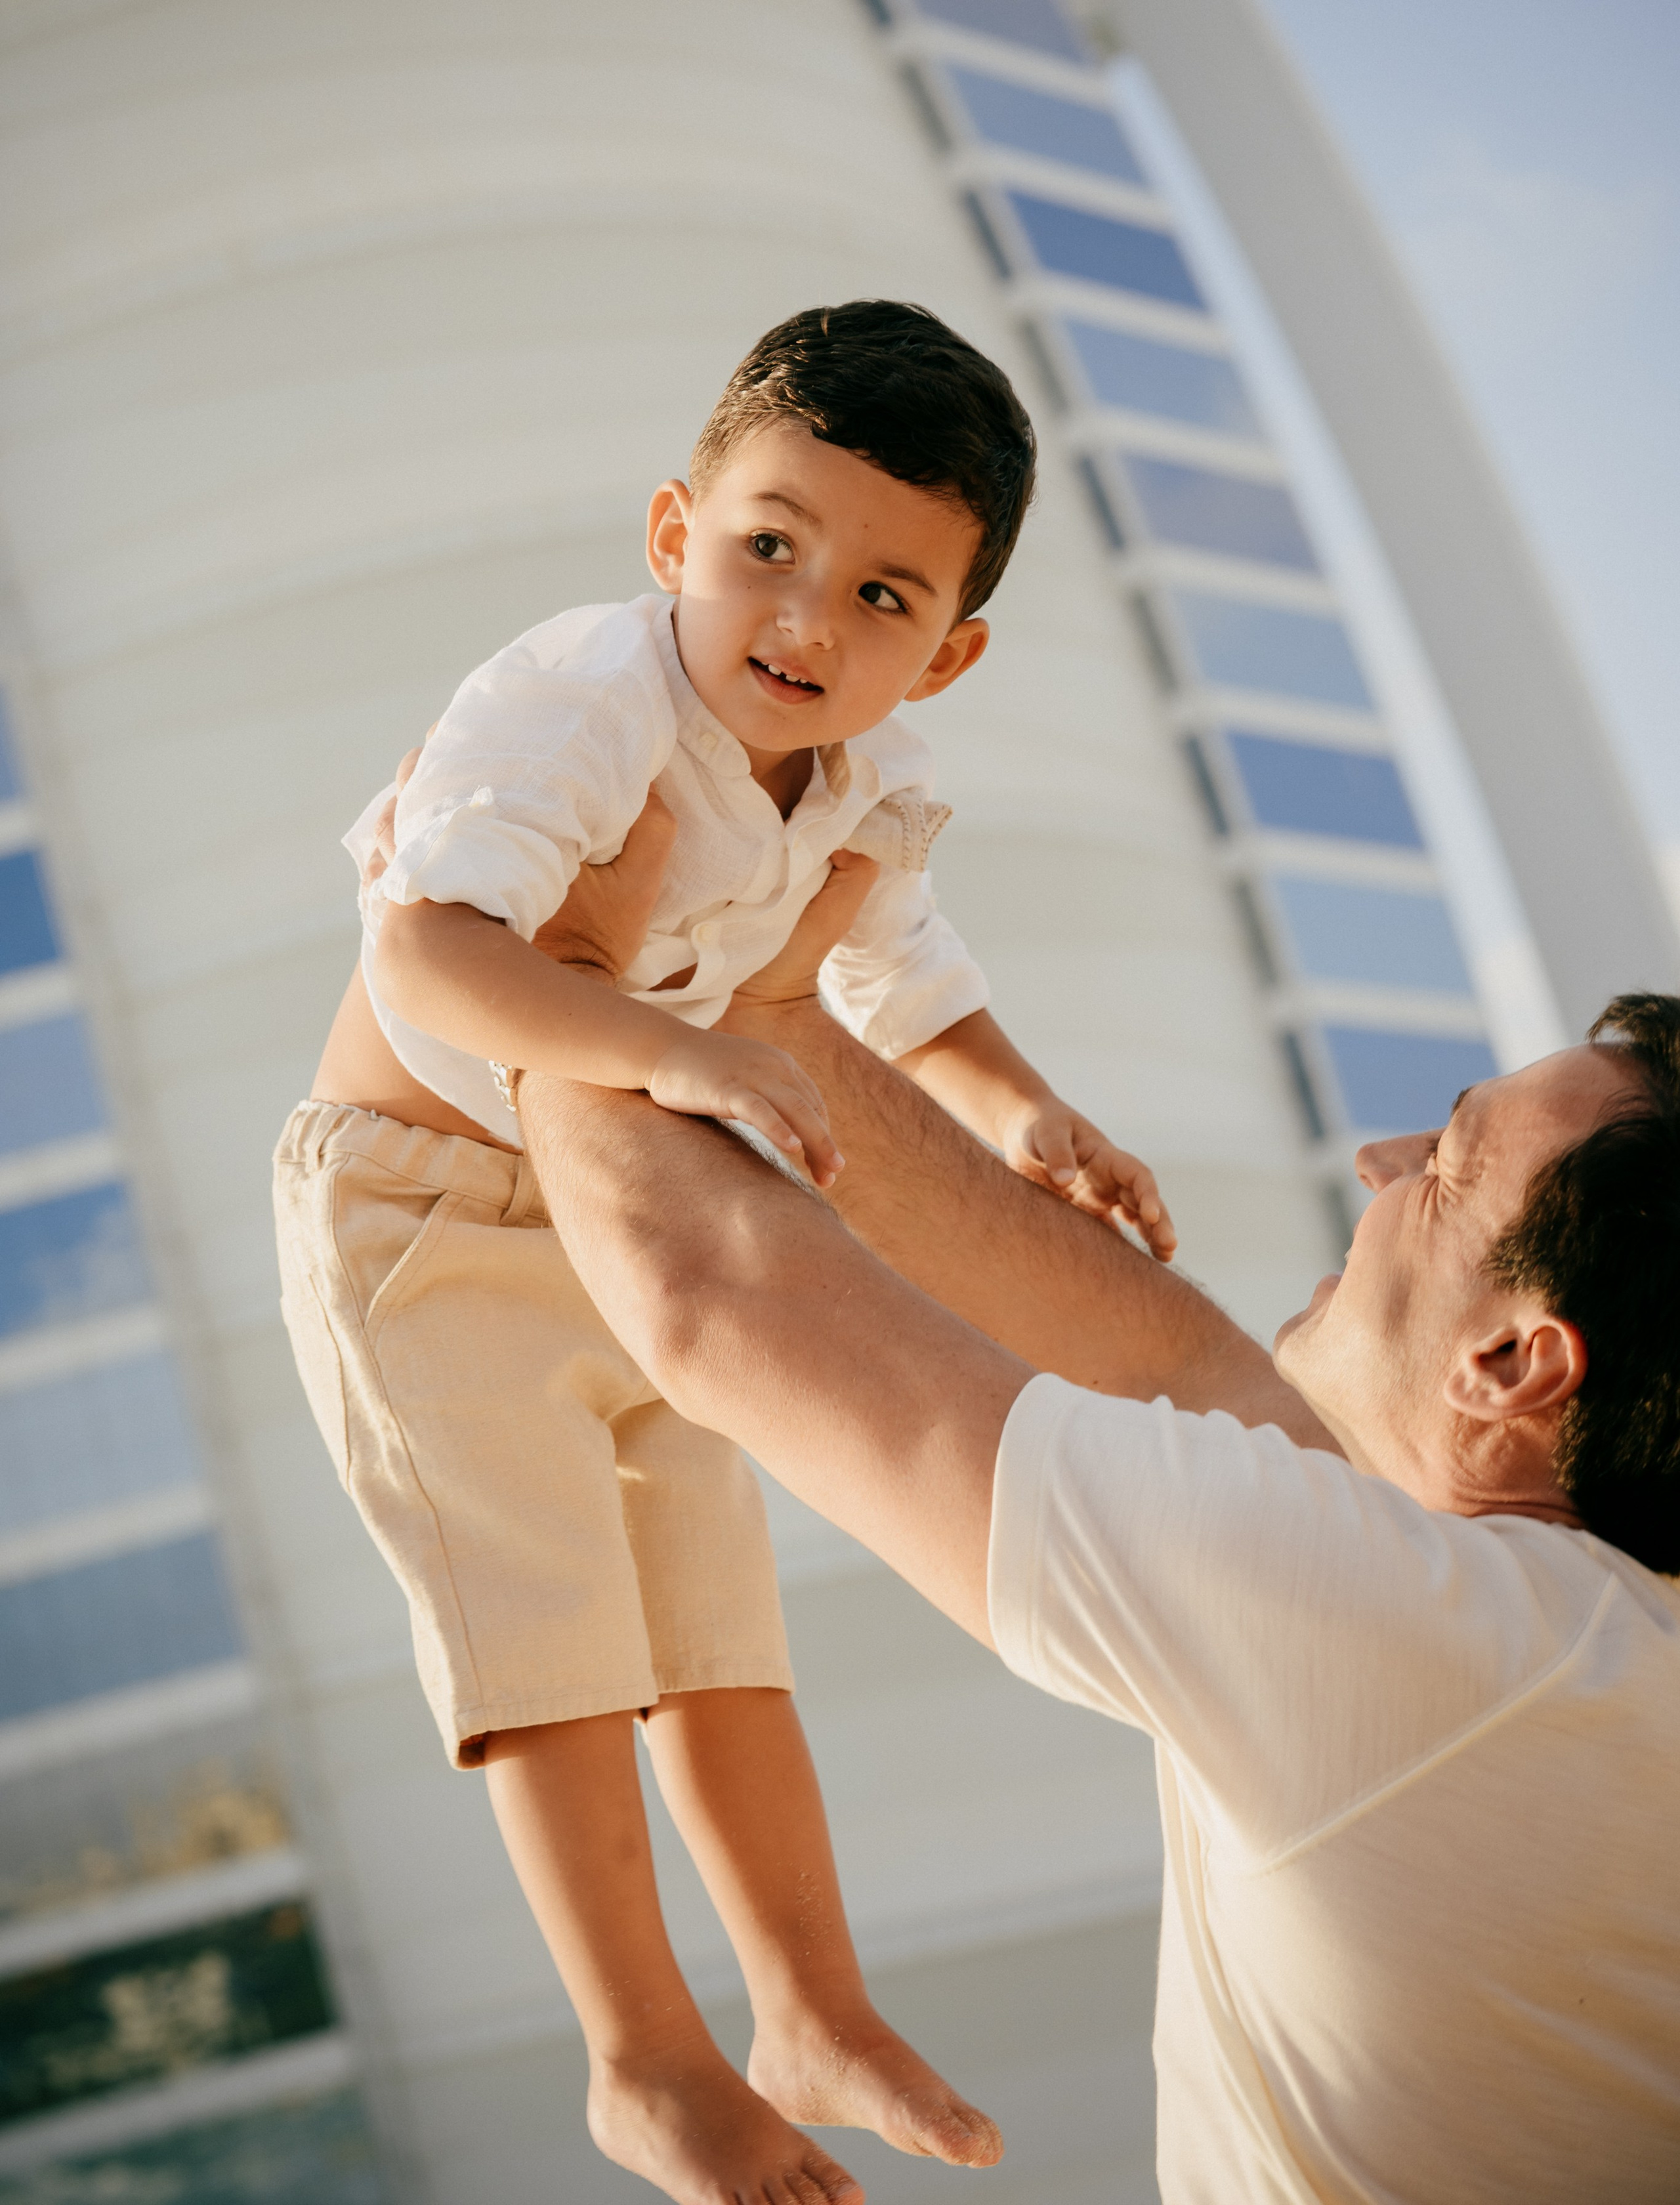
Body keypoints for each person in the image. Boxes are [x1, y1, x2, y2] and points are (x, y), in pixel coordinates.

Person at [274, 301, 1178, 2205]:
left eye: (882, 597)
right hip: (421, 1211)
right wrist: (676, 1045)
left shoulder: (863, 783)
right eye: (772, 547)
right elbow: (428, 948)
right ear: (677, 532)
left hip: (632, 1221)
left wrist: (1023, 1115)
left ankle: (807, 2001)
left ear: (953, 649)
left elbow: (904, 978)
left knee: (715, 1632)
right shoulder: (587, 698)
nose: (808, 622)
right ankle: (647, 2054)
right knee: (552, 1634)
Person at [506, 803, 1680, 2205]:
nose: (1374, 1165)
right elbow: (1168, 1364)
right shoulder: (1579, 1646)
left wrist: (551, 970)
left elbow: (711, 1298)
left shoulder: (1453, 1665)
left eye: (1441, 1166)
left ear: (1509, 1365)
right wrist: (784, 1030)